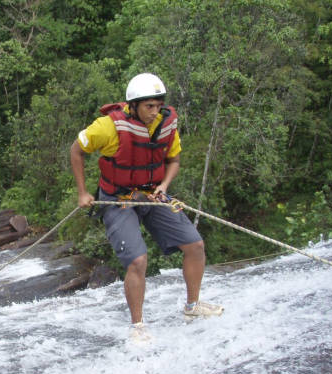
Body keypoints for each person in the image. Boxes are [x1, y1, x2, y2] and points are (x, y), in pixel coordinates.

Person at [70, 73, 223, 342]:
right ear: (134, 105)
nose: (154, 112)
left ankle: (193, 306)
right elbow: (76, 150)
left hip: (152, 194)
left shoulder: (166, 125)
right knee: (138, 260)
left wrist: (164, 185)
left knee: (195, 245)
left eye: (158, 105)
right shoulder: (107, 127)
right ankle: (138, 326)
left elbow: (173, 160)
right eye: (148, 106)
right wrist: (83, 192)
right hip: (119, 200)